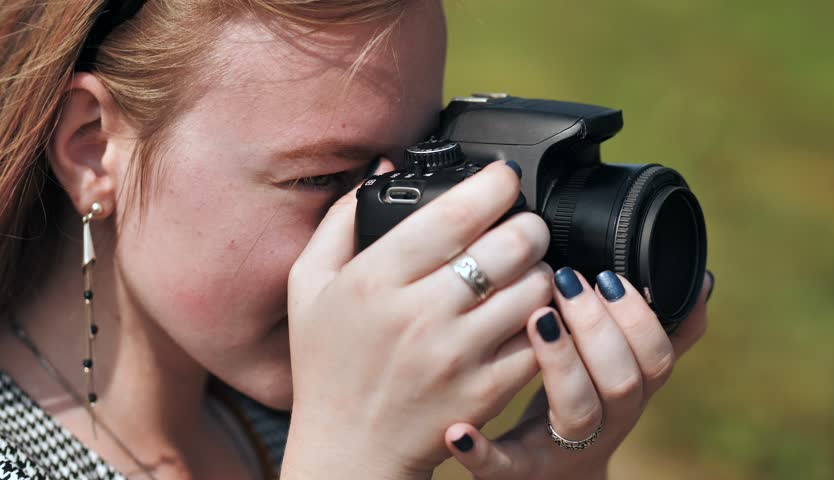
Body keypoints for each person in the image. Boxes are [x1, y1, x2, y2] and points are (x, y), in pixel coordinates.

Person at [0, 1, 713, 479]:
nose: (386, 241)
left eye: (417, 169)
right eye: (324, 178)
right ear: (93, 149)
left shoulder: (287, 410)